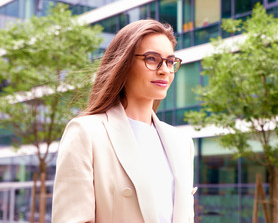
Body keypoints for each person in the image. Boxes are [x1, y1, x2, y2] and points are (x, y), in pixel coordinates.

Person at [52, 19, 196, 223]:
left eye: (170, 61)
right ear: (124, 63)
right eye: (152, 59)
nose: (165, 70)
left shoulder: (181, 142)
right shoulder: (87, 133)